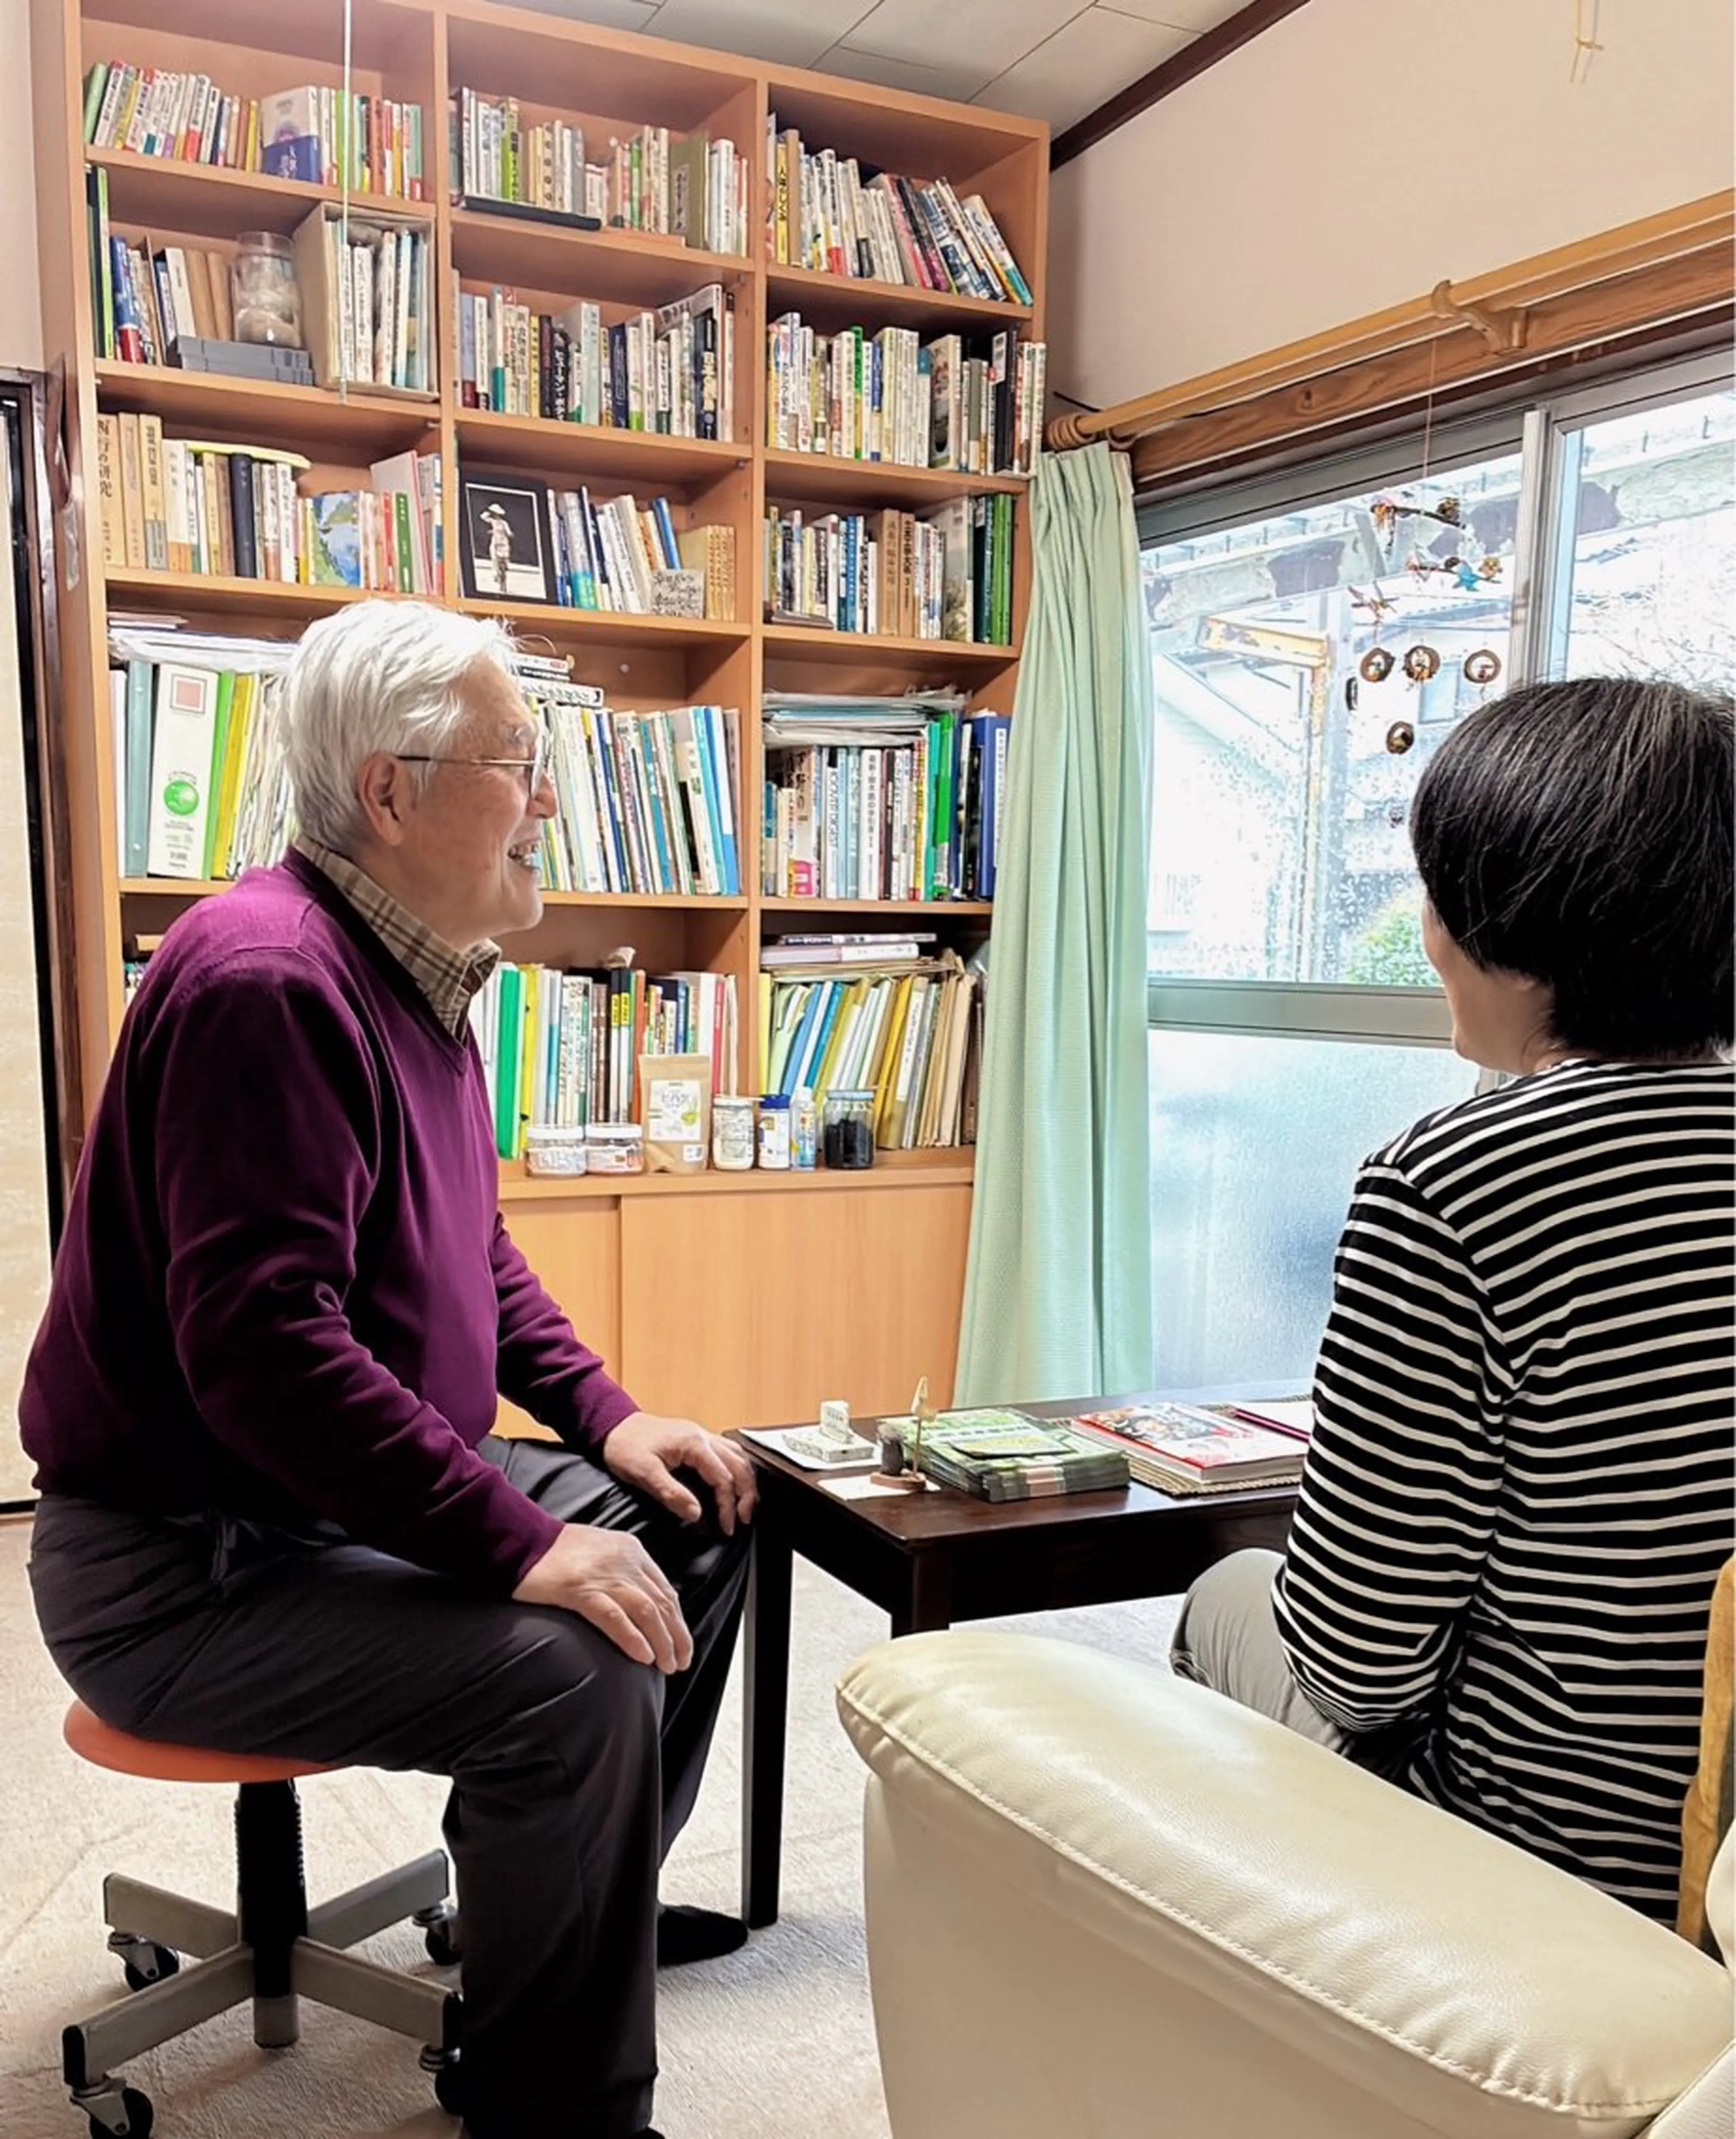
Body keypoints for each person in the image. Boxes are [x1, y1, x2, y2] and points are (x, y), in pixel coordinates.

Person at [22, 600, 759, 2139]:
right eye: (519, 760)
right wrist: (517, 1543)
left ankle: (553, 1927)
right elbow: (267, 1356)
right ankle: (558, 2099)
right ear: (392, 790)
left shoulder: (418, 973)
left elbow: (473, 1247)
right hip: (187, 1565)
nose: (549, 796)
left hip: (323, 1501)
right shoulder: (270, 983)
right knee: (573, 1675)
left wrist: (610, 1425)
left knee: (694, 1520)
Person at [1171, 674, 1734, 1926]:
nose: (1423, 923)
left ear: (1509, 920)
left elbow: (1359, 1666)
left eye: (1437, 886)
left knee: (1229, 1601)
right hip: (1720, 1856)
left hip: (1559, 1861)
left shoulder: (1452, 1183)